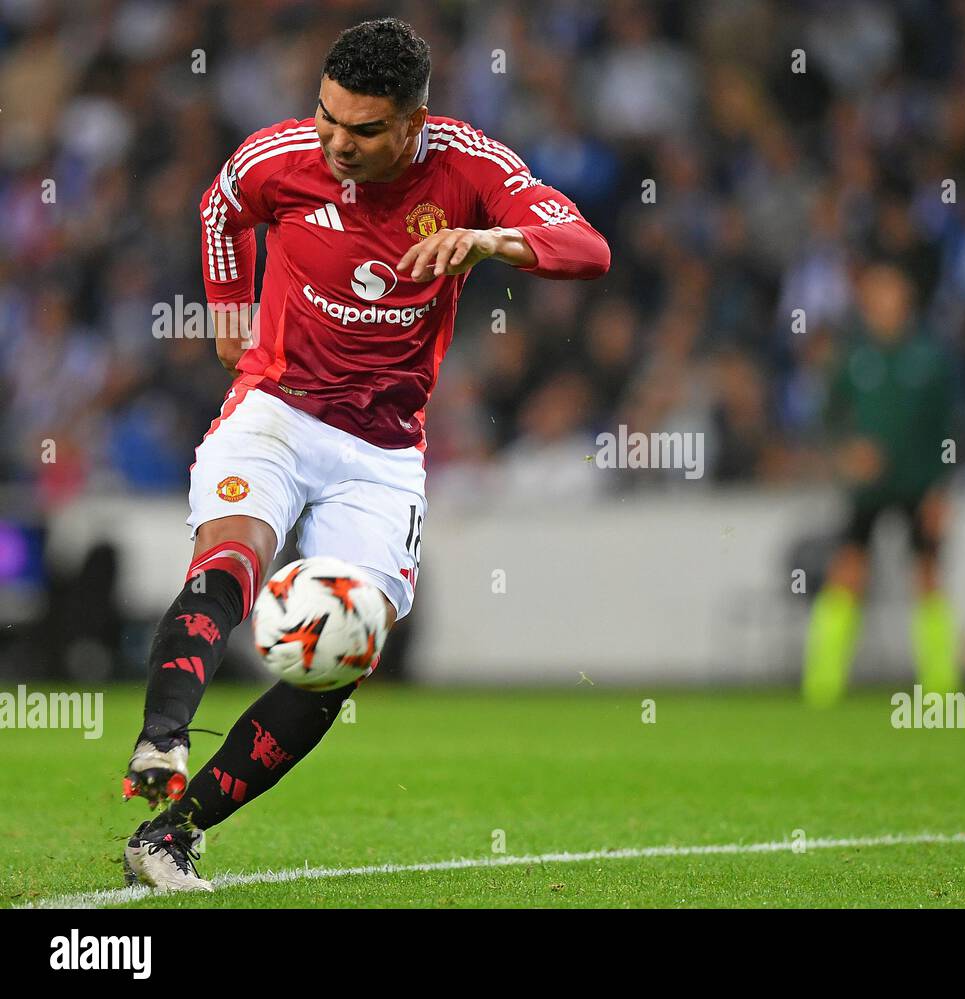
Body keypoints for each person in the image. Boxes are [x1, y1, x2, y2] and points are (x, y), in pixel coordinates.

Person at [121, 18, 609, 891]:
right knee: (231, 553)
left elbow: (587, 247)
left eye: (365, 129)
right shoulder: (279, 157)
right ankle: (161, 734)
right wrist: (230, 311)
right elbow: (223, 204)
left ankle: (174, 831)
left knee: (342, 657)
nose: (339, 143)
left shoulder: (468, 166)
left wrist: (490, 241)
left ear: (414, 123)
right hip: (276, 407)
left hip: (380, 449)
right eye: (328, 120)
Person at [802, 263, 958, 706]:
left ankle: (941, 685)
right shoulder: (852, 358)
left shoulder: (930, 358)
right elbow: (829, 419)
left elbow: (949, 427)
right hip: (869, 490)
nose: (883, 305)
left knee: (927, 575)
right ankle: (822, 685)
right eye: (875, 296)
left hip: (919, 484)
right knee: (848, 572)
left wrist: (941, 488)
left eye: (890, 294)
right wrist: (846, 453)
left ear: (905, 300)